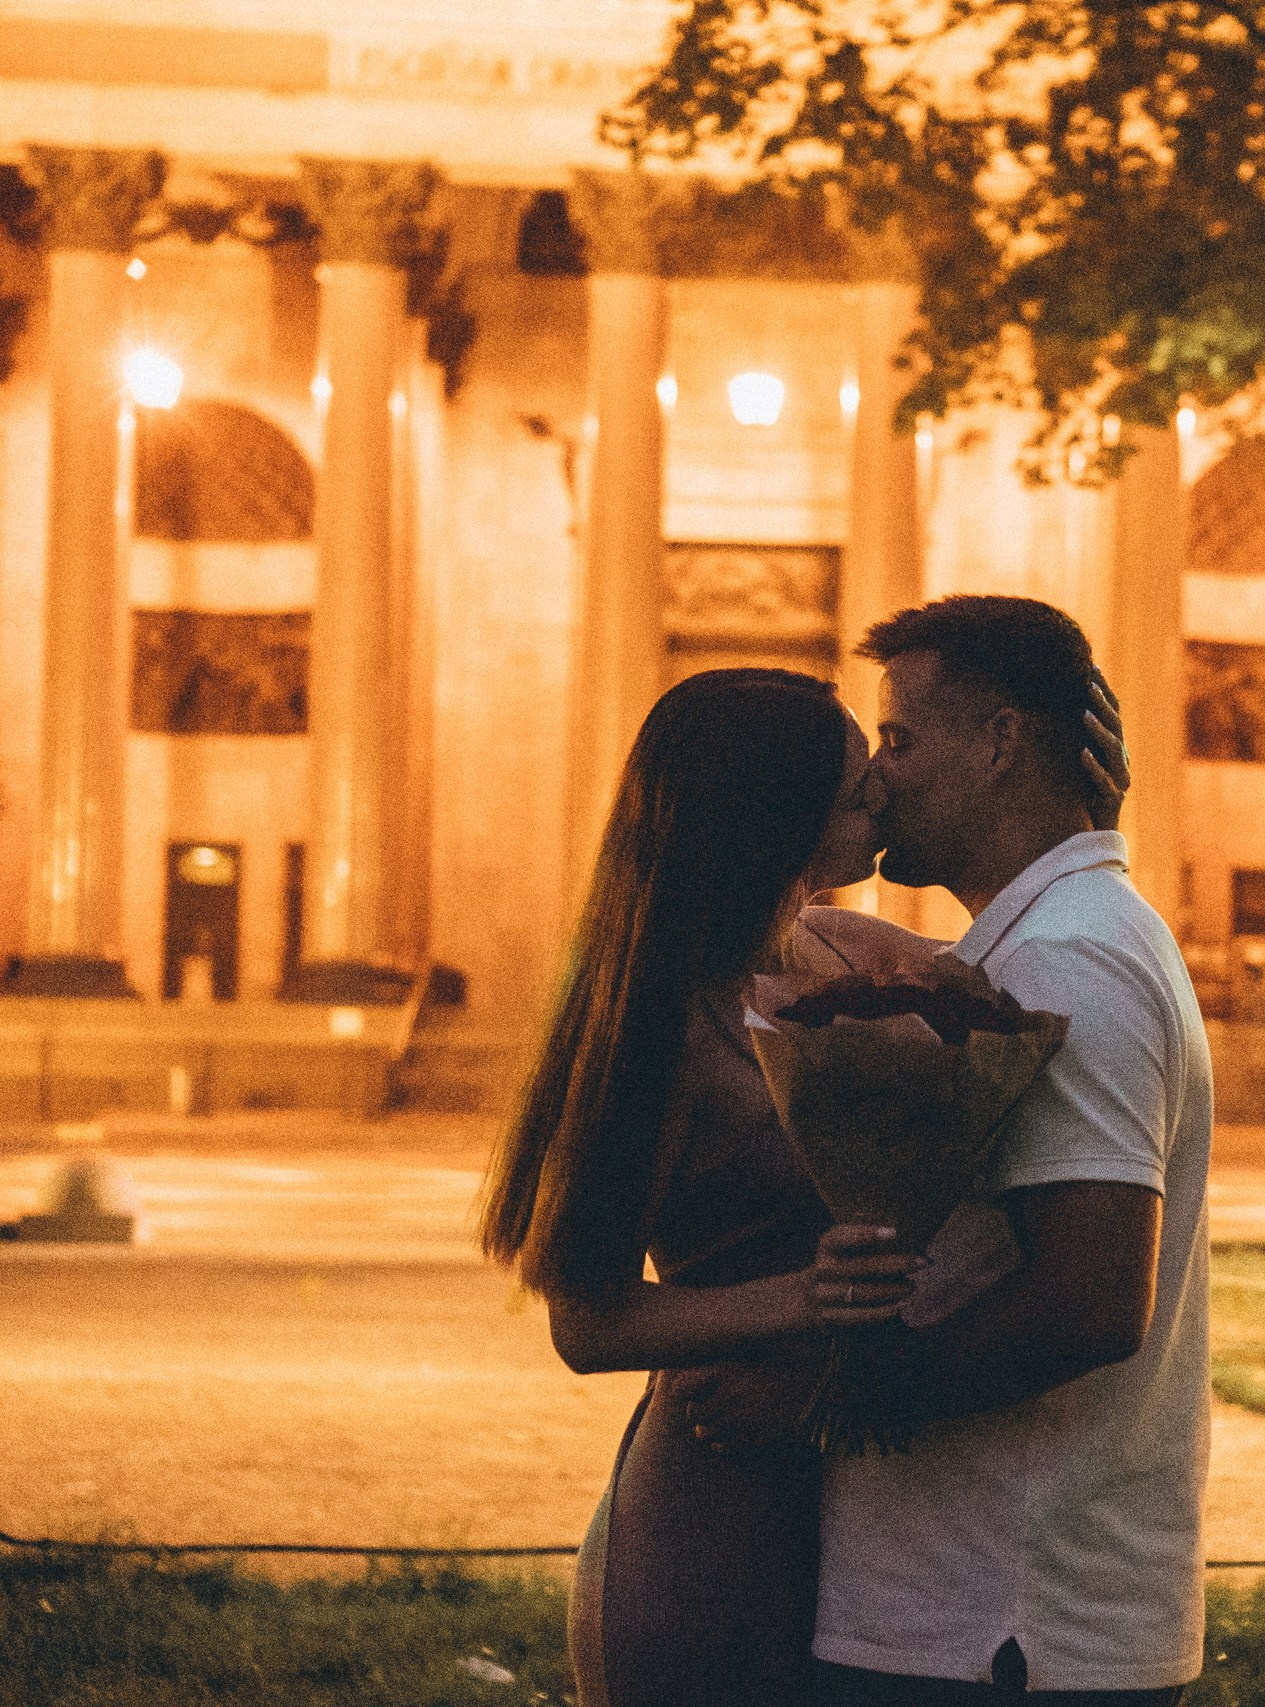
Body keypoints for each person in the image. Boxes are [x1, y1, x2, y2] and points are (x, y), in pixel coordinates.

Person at [480, 663, 1130, 1707]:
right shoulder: (659, 1028)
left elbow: (1032, 972)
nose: (884, 794)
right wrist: (805, 1299)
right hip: (721, 1482)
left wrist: (1080, 816)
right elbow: (587, 1324)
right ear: (770, 821)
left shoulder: (841, 948)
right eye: (855, 789)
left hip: (854, 1478)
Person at [796, 595, 1215, 1706]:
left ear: (997, 743)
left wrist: (833, 1400)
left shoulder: (1075, 958)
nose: (881, 777)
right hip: (986, 1617)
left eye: (900, 739)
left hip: (1005, 1625)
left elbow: (1086, 1300)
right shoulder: (1052, 938)